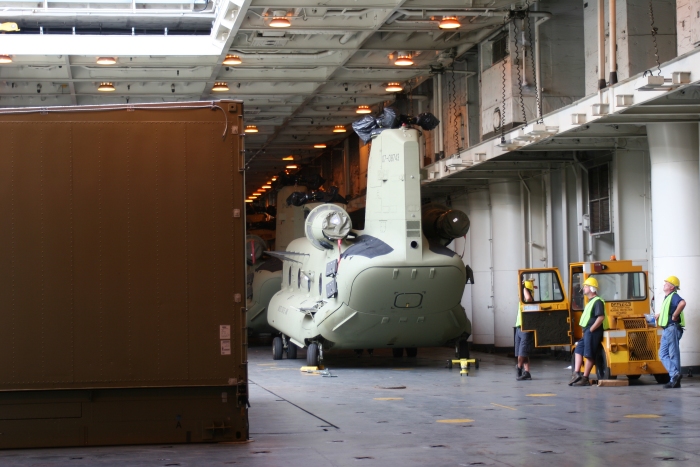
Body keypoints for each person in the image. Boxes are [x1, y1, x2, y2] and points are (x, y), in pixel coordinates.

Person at [569, 277, 608, 387]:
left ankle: (585, 378)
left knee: (589, 354)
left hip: (593, 332)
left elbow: (600, 317)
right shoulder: (590, 302)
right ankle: (576, 374)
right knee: (578, 349)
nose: (584, 288)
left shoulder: (598, 302)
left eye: (585, 286)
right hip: (587, 332)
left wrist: (591, 329)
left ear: (591, 288)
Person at [655, 276, 686, 389]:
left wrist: (675, 315)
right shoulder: (667, 297)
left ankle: (674, 379)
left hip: (671, 328)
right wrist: (659, 315)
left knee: (673, 355)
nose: (664, 284)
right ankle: (675, 375)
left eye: (667, 283)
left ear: (672, 287)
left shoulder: (674, 296)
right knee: (662, 354)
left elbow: (682, 303)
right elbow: (668, 311)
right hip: (667, 329)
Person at [515, 280, 535, 381]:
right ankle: (526, 372)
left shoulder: (528, 299)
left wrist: (523, 287)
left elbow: (528, 297)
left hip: (525, 328)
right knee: (522, 353)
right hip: (519, 327)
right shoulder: (522, 301)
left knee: (522, 353)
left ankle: (518, 368)